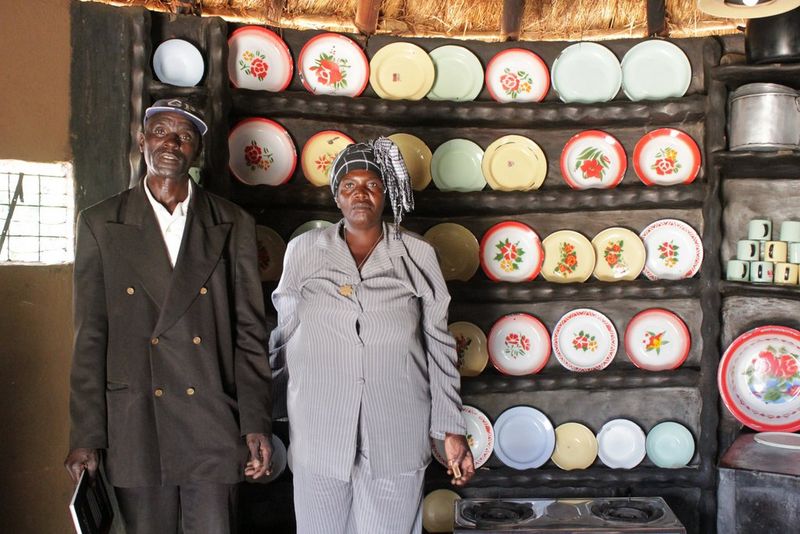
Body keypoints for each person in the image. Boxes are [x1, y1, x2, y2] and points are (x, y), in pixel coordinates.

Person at [64, 98, 273, 534]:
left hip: (213, 416)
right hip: (137, 419)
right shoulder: (101, 223)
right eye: (160, 132)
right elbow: (90, 337)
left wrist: (255, 421)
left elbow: (250, 333)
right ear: (142, 141)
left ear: (197, 150)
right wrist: (87, 435)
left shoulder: (232, 223)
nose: (171, 143)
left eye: (184, 136)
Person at [270, 137, 475, 534]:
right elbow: (285, 332)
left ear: (386, 193)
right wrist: (263, 418)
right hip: (319, 429)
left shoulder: (416, 254)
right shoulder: (304, 251)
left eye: (372, 185)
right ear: (336, 196)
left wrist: (450, 430)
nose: (360, 194)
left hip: (397, 430)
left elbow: (439, 343)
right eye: (349, 185)